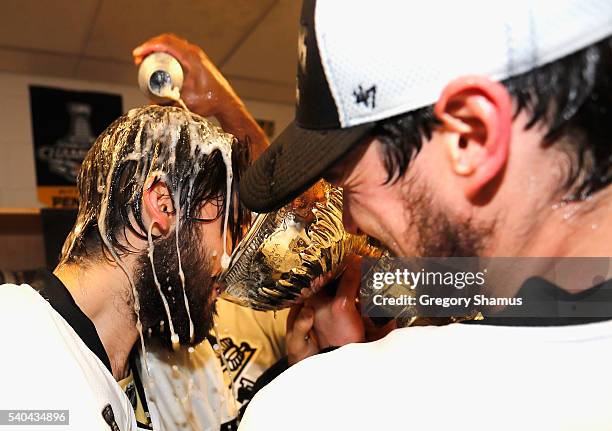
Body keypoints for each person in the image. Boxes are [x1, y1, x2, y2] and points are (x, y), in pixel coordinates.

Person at [237, 0, 612, 429]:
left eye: (346, 181)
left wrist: (341, 367)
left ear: (472, 137)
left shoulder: (312, 410)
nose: (349, 224)